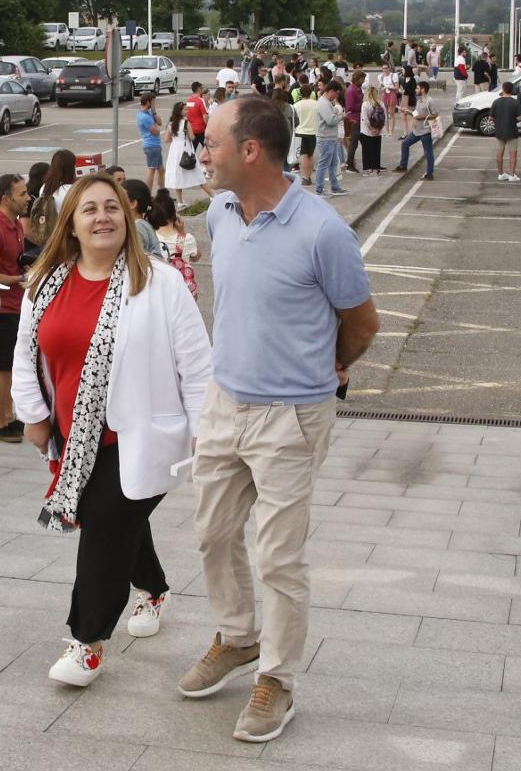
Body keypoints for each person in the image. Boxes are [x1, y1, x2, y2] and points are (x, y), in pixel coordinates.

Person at [183, 95, 379, 743]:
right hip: (225, 402)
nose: (200, 152)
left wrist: (329, 369)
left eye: (209, 142)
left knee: (279, 559)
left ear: (249, 150)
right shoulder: (219, 212)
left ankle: (277, 680)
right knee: (212, 534)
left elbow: (362, 322)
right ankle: (238, 637)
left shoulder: (322, 231)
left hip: (290, 418)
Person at [12, 172, 211, 687]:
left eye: (112, 208)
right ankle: (155, 587)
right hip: (74, 439)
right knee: (118, 522)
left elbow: (196, 364)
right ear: (71, 225)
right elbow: (25, 355)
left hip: (141, 437)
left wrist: (207, 432)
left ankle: (87, 642)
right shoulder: (45, 282)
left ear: (127, 217)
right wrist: (32, 414)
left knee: (102, 526)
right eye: (90, 210)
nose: (103, 217)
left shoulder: (159, 282)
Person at [0, 174, 31, 443]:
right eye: (22, 194)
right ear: (5, 199)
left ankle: (10, 416)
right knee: (3, 367)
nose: (27, 198)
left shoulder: (16, 226)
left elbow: (14, 263)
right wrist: (19, 279)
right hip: (2, 309)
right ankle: (0, 423)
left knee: (13, 366)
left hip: (18, 305)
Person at [151, 187, 200, 300]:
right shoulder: (187, 239)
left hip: (158, 292)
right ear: (174, 214)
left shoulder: (150, 238)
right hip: (181, 294)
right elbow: (195, 257)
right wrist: (182, 232)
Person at [164, 101, 211, 209]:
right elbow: (192, 137)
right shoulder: (186, 123)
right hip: (186, 149)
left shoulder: (171, 124)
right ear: (180, 112)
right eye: (185, 109)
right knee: (197, 173)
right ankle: (212, 194)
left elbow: (166, 139)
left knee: (177, 174)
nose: (187, 111)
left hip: (175, 150)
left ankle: (180, 201)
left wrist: (175, 139)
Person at [395, 81, 439, 181]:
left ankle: (429, 174)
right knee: (405, 144)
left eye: (417, 88)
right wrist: (408, 111)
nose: (416, 90)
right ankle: (403, 166)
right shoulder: (419, 100)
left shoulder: (429, 101)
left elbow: (435, 114)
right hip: (416, 131)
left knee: (428, 153)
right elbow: (416, 113)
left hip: (426, 132)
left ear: (423, 89)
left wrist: (423, 117)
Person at [119, 179, 167, 258]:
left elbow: (136, 259)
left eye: (120, 198)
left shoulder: (137, 227)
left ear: (133, 204)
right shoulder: (141, 224)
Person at [314, 80, 347, 197]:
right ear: (331, 91)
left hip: (330, 137)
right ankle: (319, 189)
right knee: (323, 164)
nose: (337, 96)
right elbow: (330, 120)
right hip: (326, 138)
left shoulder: (326, 102)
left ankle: (335, 186)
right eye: (336, 93)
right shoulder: (323, 103)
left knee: (333, 164)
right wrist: (340, 117)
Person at [491, 82, 521, 181]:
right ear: (511, 90)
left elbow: (491, 118)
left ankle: (501, 174)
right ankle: (512, 175)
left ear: (503, 89)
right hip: (512, 131)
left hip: (499, 131)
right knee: (513, 154)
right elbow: (519, 118)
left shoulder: (496, 102)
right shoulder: (515, 102)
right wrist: (513, 120)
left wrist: (498, 120)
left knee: (499, 153)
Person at [137, 93, 164, 192]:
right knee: (151, 170)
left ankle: (162, 192)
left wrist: (154, 112)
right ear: (148, 102)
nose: (154, 104)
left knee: (161, 170)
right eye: (153, 102)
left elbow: (160, 122)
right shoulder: (144, 117)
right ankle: (147, 193)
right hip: (151, 146)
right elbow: (156, 131)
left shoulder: (148, 113)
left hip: (155, 145)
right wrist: (156, 127)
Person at [292, 83, 318, 186]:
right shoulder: (316, 104)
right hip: (313, 132)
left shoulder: (296, 105)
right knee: (310, 155)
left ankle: (305, 177)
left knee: (303, 156)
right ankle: (309, 176)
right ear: (311, 92)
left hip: (300, 132)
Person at [359, 85, 386, 175]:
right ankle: (376, 167)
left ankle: (368, 169)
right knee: (376, 150)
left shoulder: (365, 104)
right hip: (378, 131)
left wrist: (371, 129)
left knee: (367, 150)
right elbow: (384, 118)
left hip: (367, 131)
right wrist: (379, 129)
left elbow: (365, 119)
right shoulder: (381, 103)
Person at [343, 71, 364, 173]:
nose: (363, 81)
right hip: (354, 120)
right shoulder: (351, 90)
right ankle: (349, 164)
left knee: (359, 142)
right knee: (353, 143)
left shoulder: (358, 89)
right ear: (358, 79)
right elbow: (350, 107)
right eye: (362, 79)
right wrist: (362, 104)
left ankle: (352, 163)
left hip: (359, 119)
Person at [184, 82, 210, 150]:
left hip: (192, 129)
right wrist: (209, 126)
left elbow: (187, 114)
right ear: (199, 89)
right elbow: (205, 116)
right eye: (202, 88)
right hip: (201, 129)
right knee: (208, 149)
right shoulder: (200, 100)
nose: (202, 90)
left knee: (192, 150)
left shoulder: (189, 100)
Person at [379, 64, 400, 137]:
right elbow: (381, 86)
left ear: (389, 68)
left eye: (386, 68)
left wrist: (388, 87)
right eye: (383, 68)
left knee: (391, 113)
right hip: (385, 94)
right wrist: (382, 89)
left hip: (392, 93)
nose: (385, 70)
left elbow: (397, 87)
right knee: (385, 114)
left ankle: (391, 131)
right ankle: (386, 130)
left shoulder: (393, 76)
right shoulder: (381, 77)